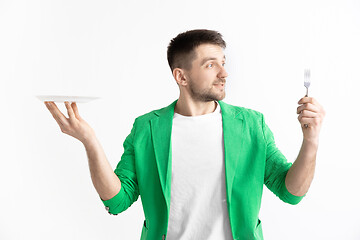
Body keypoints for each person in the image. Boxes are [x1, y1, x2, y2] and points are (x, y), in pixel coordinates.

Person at [44, 29, 326, 240]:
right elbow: (117, 201)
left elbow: (292, 192)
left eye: (223, 62)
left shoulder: (252, 125)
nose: (225, 72)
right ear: (181, 76)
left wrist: (310, 140)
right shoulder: (147, 128)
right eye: (211, 64)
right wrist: (90, 141)